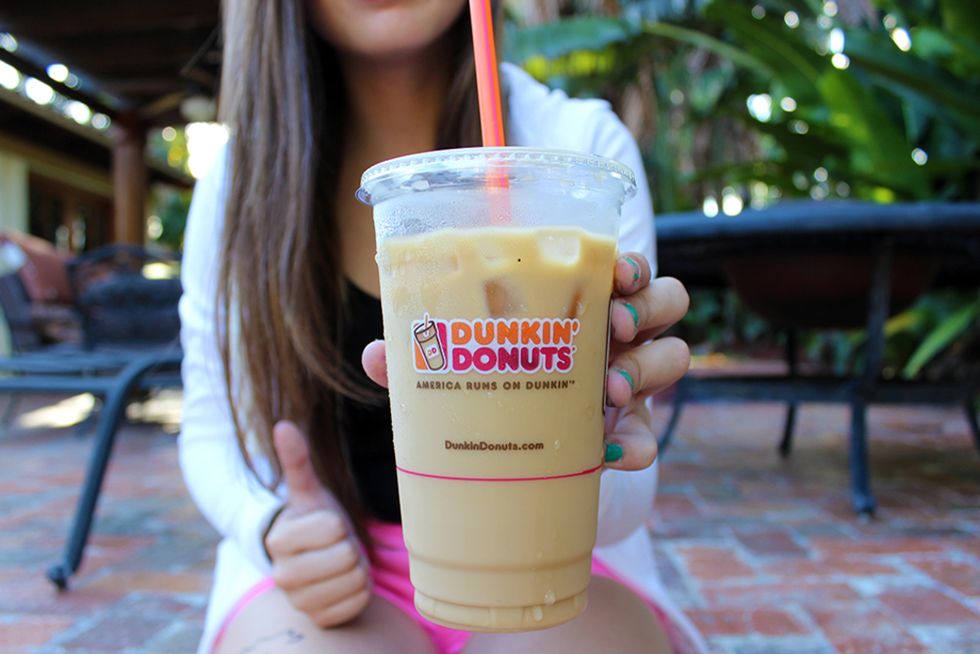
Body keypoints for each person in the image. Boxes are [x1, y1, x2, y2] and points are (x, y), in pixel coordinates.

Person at [179, 1, 706, 653]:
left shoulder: (577, 151)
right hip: (331, 570)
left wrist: (598, 445)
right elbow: (209, 425)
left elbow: (623, 510)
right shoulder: (240, 184)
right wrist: (271, 525)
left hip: (562, 557)